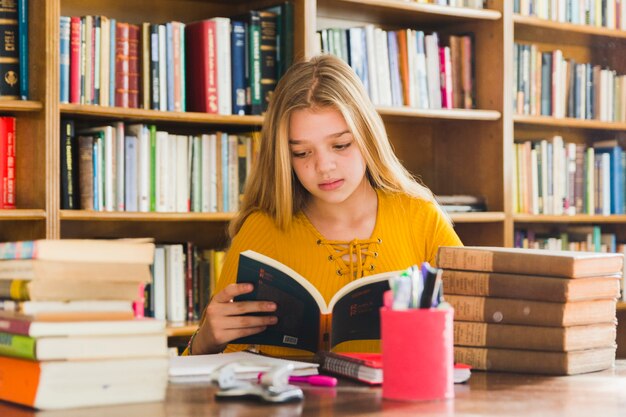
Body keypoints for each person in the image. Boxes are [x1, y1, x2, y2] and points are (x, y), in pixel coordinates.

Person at [187, 54, 462, 357]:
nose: (324, 166)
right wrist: (205, 342)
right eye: (302, 153)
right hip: (295, 404)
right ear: (284, 158)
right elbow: (211, 379)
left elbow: (472, 334)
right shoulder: (262, 230)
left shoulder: (420, 217)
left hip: (404, 402)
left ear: (367, 136)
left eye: (341, 145)